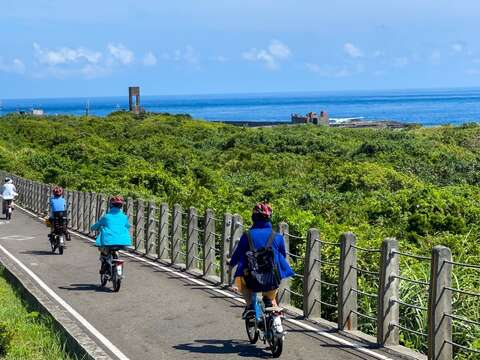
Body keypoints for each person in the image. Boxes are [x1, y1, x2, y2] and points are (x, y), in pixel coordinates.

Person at [229, 202, 294, 318]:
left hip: (251, 278)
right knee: (271, 297)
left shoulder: (247, 235)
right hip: (272, 278)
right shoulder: (277, 236)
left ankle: (249, 307)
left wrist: (231, 264)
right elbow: (283, 255)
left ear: (253, 218)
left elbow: (238, 254)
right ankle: (270, 303)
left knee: (240, 279)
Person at [90, 196, 132, 271]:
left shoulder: (106, 217)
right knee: (116, 248)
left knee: (103, 250)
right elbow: (127, 226)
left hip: (108, 242)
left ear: (111, 205)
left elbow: (97, 225)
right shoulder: (124, 217)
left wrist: (92, 228)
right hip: (123, 241)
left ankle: (104, 266)